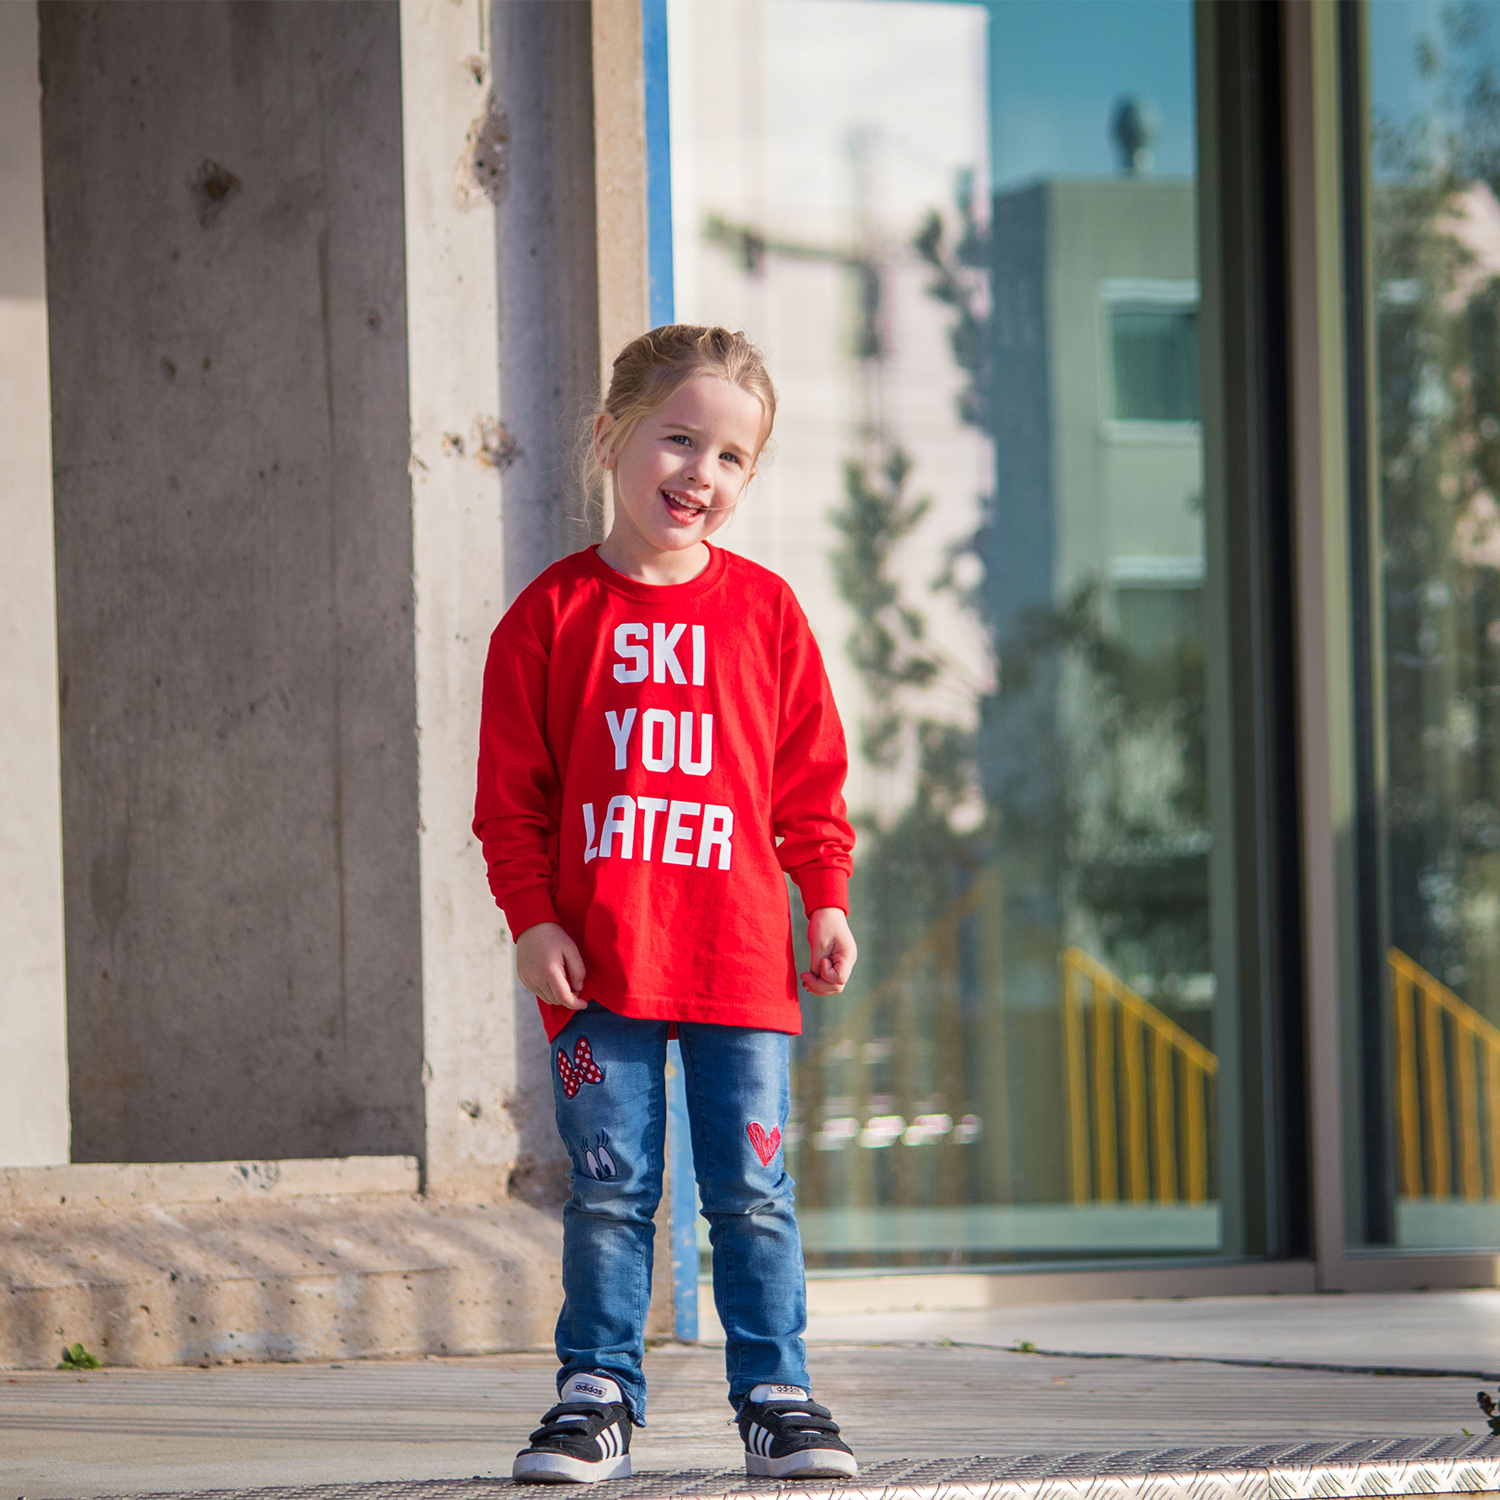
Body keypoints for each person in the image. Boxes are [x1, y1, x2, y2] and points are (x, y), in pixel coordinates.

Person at [473, 325, 860, 1484]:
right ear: (610, 437)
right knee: (607, 1194)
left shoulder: (769, 615)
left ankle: (778, 1396)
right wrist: (533, 919)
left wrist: (825, 895)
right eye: (679, 440)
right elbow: (512, 804)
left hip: (742, 970)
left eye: (734, 456)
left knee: (753, 1195)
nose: (703, 473)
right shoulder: (548, 619)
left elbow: (809, 782)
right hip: (599, 977)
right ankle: (596, 1395)